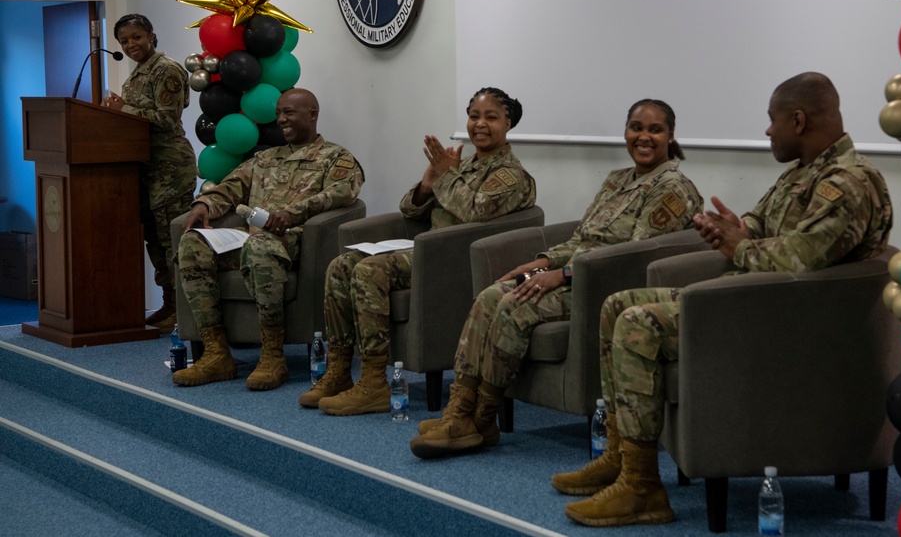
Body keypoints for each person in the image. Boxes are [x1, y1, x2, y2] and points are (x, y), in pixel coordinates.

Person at [552, 72, 894, 528]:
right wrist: (737, 228)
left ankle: (643, 491)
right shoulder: (803, 173)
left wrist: (739, 246)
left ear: (797, 119)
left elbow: (801, 259)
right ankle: (624, 460)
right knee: (617, 304)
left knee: (638, 322)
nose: (768, 131)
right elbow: (759, 220)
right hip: (757, 304)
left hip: (796, 325)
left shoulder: (847, 183)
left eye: (773, 122)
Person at [408, 98, 704, 459]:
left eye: (654, 130)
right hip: (575, 274)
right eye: (636, 128)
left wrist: (560, 276)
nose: (643, 137)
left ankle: (481, 418)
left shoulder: (672, 188)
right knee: (489, 296)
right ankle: (462, 411)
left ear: (670, 136)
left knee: (515, 305)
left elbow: (630, 256)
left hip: (606, 287)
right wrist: (541, 263)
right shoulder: (619, 179)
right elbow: (584, 237)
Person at [303, 87, 537, 415]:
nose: (480, 124)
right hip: (426, 251)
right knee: (341, 265)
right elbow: (409, 212)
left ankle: (374, 383)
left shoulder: (510, 175)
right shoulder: (461, 166)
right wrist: (428, 182)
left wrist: (446, 177)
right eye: (474, 116)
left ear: (508, 123)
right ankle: (339, 371)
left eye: (491, 117)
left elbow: (476, 213)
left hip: (453, 261)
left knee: (370, 271)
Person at [172, 88, 364, 391]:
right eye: (278, 113)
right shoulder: (265, 158)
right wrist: (203, 205)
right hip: (251, 238)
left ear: (312, 114)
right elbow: (230, 187)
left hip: (294, 241)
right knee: (193, 243)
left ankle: (273, 355)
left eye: (289, 112)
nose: (281, 119)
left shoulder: (336, 157)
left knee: (258, 246)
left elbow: (342, 193)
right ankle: (216, 353)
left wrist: (293, 213)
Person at [102, 14, 198, 334]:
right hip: (144, 169)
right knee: (155, 242)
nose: (131, 45)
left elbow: (166, 119)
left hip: (170, 168)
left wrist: (122, 111)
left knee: (174, 242)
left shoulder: (166, 69)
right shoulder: (137, 76)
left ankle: (187, 310)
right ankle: (170, 305)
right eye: (124, 41)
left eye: (137, 37)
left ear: (151, 37)